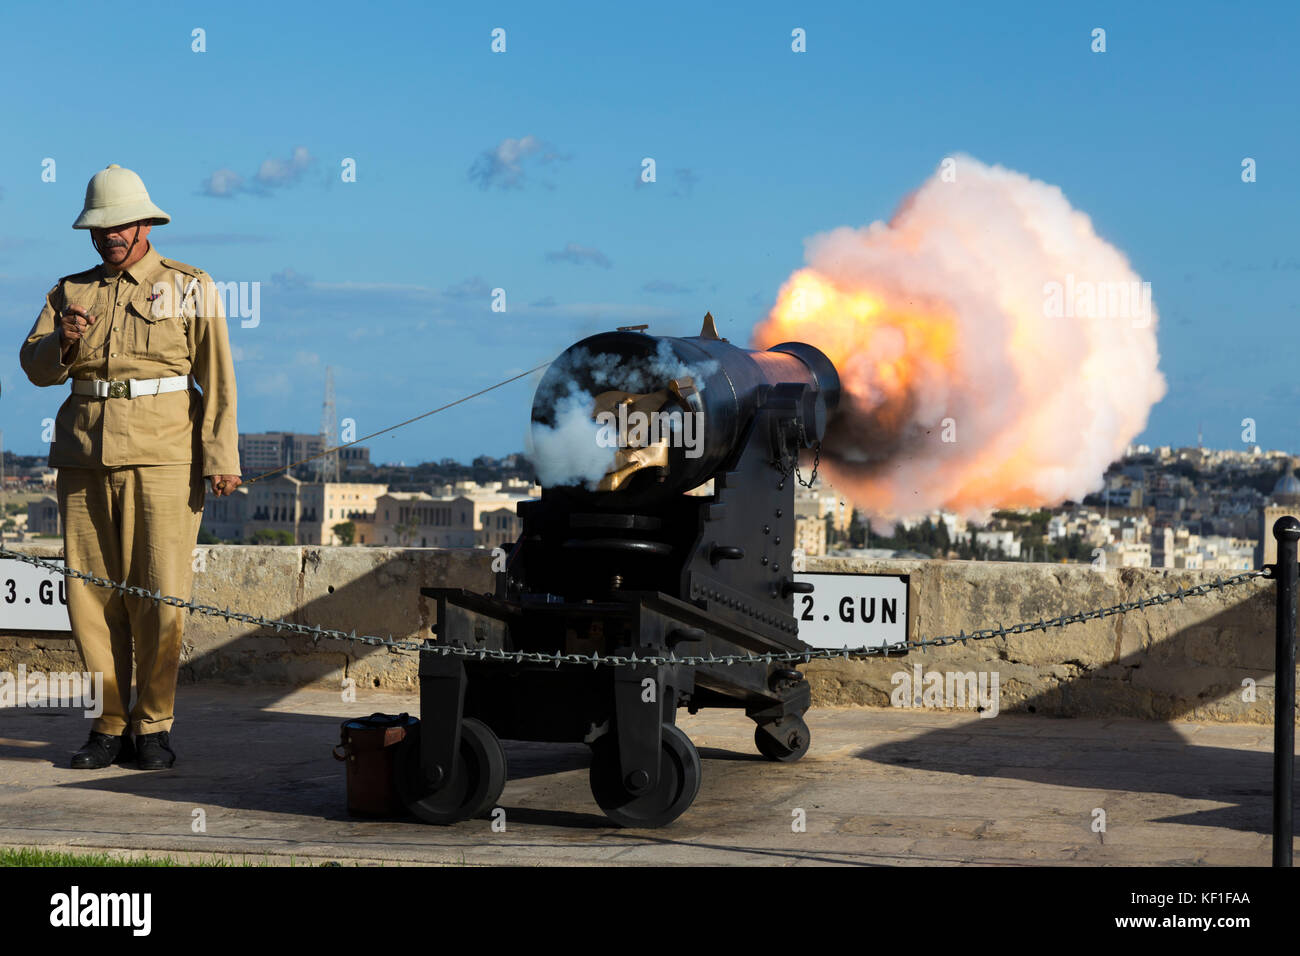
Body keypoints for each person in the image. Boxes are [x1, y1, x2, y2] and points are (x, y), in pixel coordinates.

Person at [19, 164, 241, 770]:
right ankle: (108, 725)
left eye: (119, 225)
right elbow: (35, 368)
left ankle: (154, 727)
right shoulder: (69, 292)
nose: (109, 235)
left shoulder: (190, 286)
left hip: (166, 459)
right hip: (85, 459)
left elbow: (217, 378)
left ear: (145, 223)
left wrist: (221, 459)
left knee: (160, 596)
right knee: (89, 598)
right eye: (99, 227)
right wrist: (61, 341)